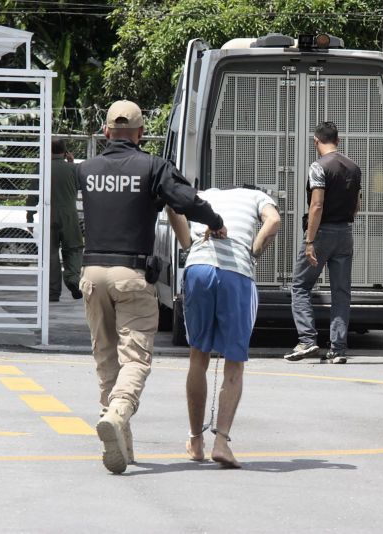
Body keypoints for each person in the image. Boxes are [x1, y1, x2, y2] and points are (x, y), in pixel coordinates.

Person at [78, 100, 226, 474]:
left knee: (105, 357)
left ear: (106, 131)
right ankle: (117, 413)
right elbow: (184, 200)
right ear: (141, 133)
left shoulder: (88, 169)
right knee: (136, 358)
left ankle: (121, 444)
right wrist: (215, 221)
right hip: (132, 275)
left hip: (92, 273)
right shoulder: (153, 166)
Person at [170, 187, 280, 468]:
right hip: (236, 273)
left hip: (198, 267)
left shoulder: (203, 194)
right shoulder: (258, 197)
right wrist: (254, 251)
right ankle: (221, 442)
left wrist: (187, 244)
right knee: (234, 362)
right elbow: (274, 220)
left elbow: (173, 208)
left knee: (198, 355)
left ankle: (195, 441)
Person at [284, 121, 362, 364]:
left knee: (300, 286)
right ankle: (338, 349)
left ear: (315, 141)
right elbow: (357, 205)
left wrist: (310, 240)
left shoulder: (318, 167)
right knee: (341, 293)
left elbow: (316, 205)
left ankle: (307, 340)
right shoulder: (354, 167)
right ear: (337, 141)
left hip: (322, 233)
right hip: (345, 234)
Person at [48, 139, 84, 302]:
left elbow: (33, 194)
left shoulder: (43, 168)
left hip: (49, 214)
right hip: (69, 215)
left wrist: (29, 213)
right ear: (65, 151)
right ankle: (73, 280)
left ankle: (53, 292)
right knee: (74, 249)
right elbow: (80, 185)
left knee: (51, 254)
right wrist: (71, 162)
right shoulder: (73, 169)